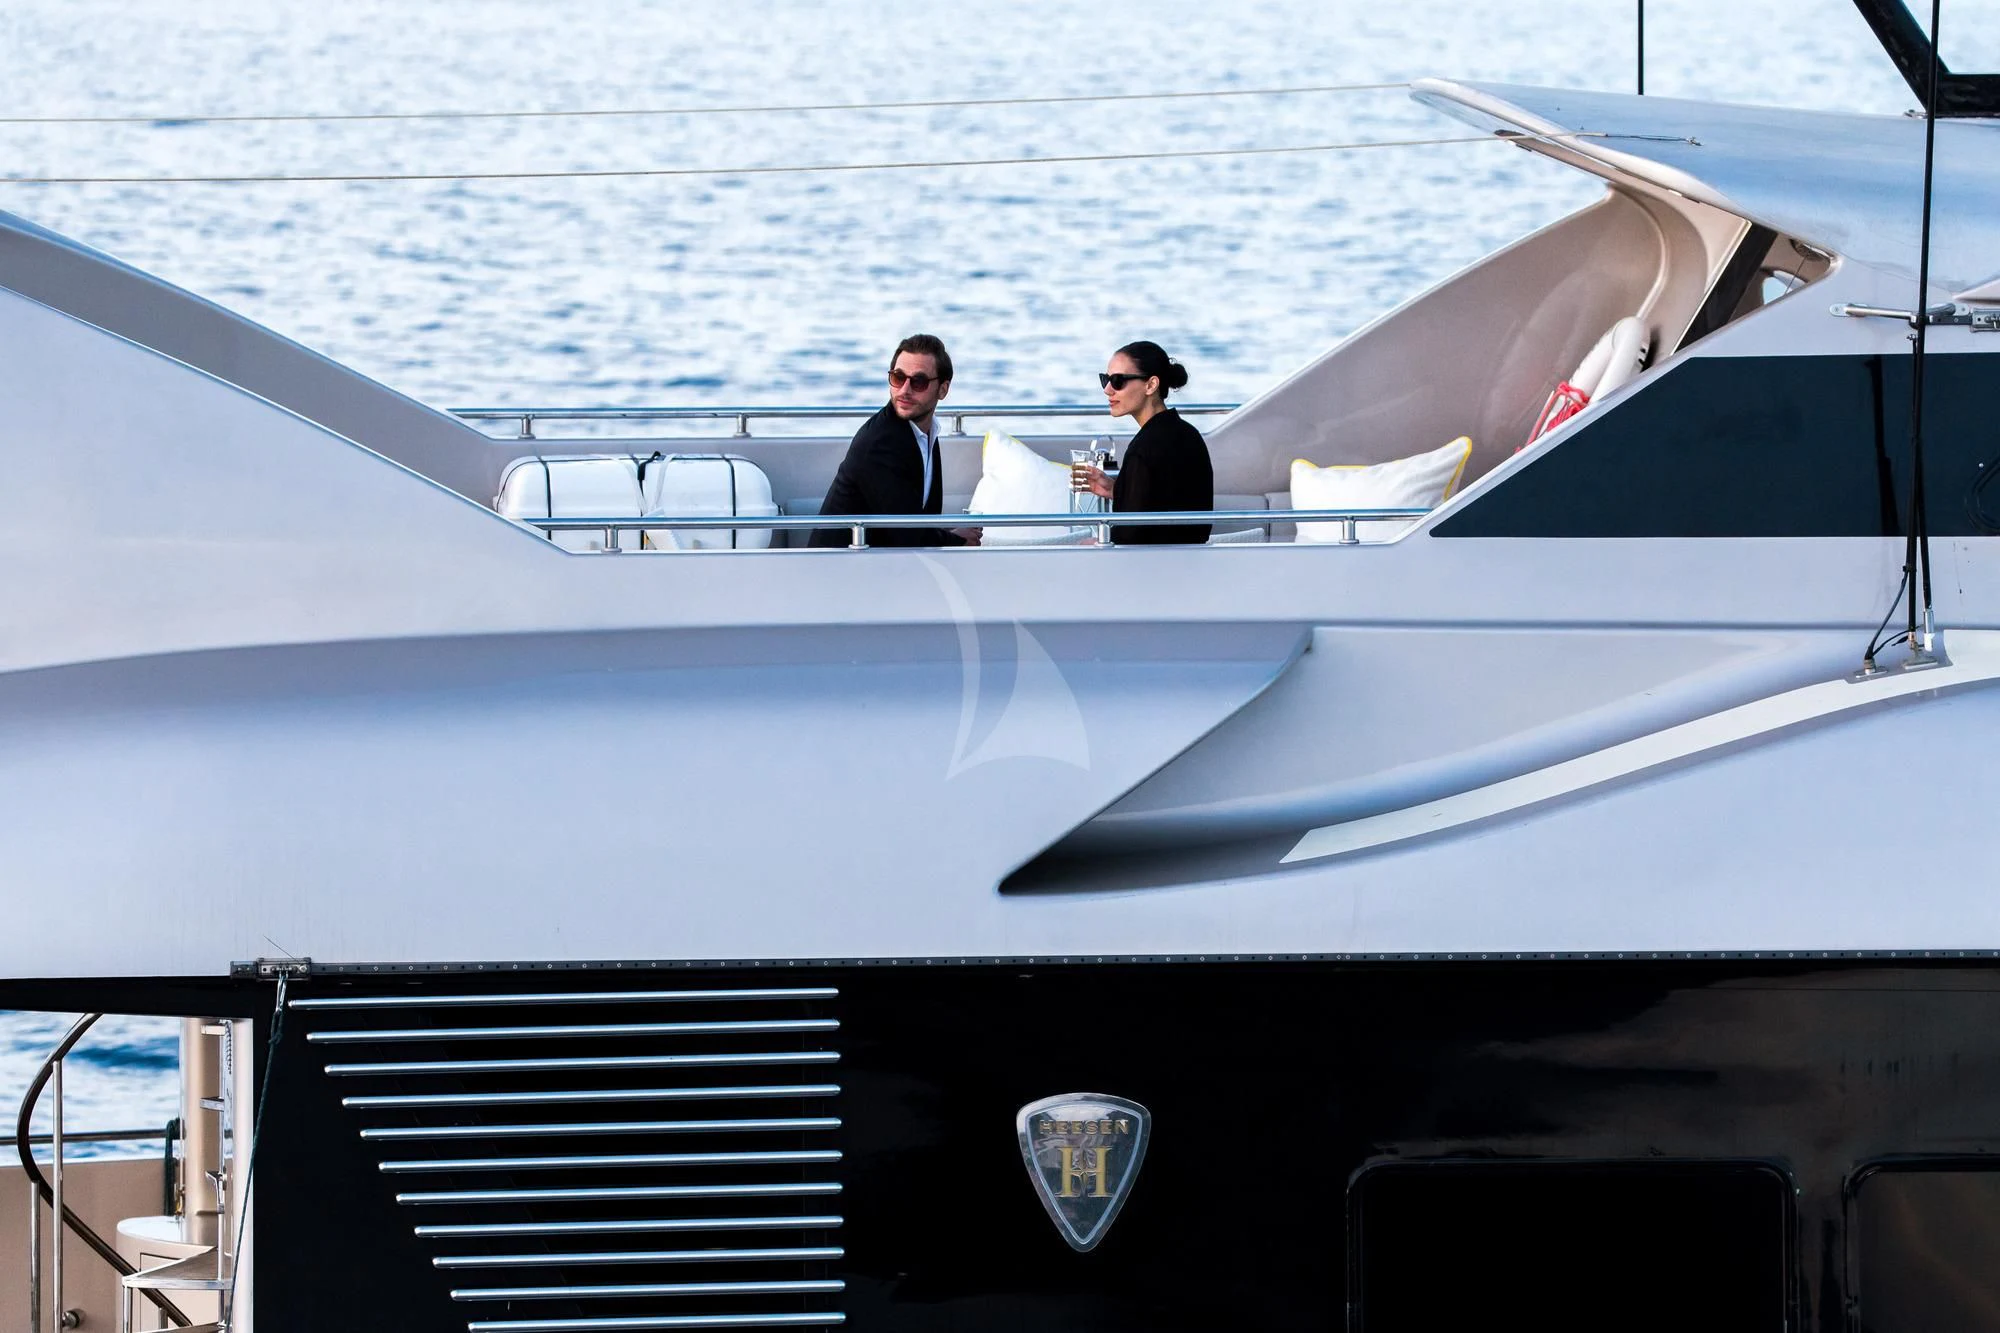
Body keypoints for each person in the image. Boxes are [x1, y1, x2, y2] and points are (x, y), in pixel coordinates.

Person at [809, 334, 977, 548]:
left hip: (884, 562)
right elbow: (907, 533)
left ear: (942, 390)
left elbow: (921, 523)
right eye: (898, 377)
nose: (904, 391)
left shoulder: (925, 432)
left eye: (918, 382)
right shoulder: (879, 443)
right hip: (842, 570)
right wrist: (958, 538)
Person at [1075, 341, 1213, 544]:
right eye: (1105, 379)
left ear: (1151, 385)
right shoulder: (1190, 435)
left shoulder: (1143, 449)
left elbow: (1130, 535)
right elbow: (1169, 503)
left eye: (1118, 380)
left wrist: (1097, 544)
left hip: (1150, 568)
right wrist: (1118, 490)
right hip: (1194, 563)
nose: (1107, 389)